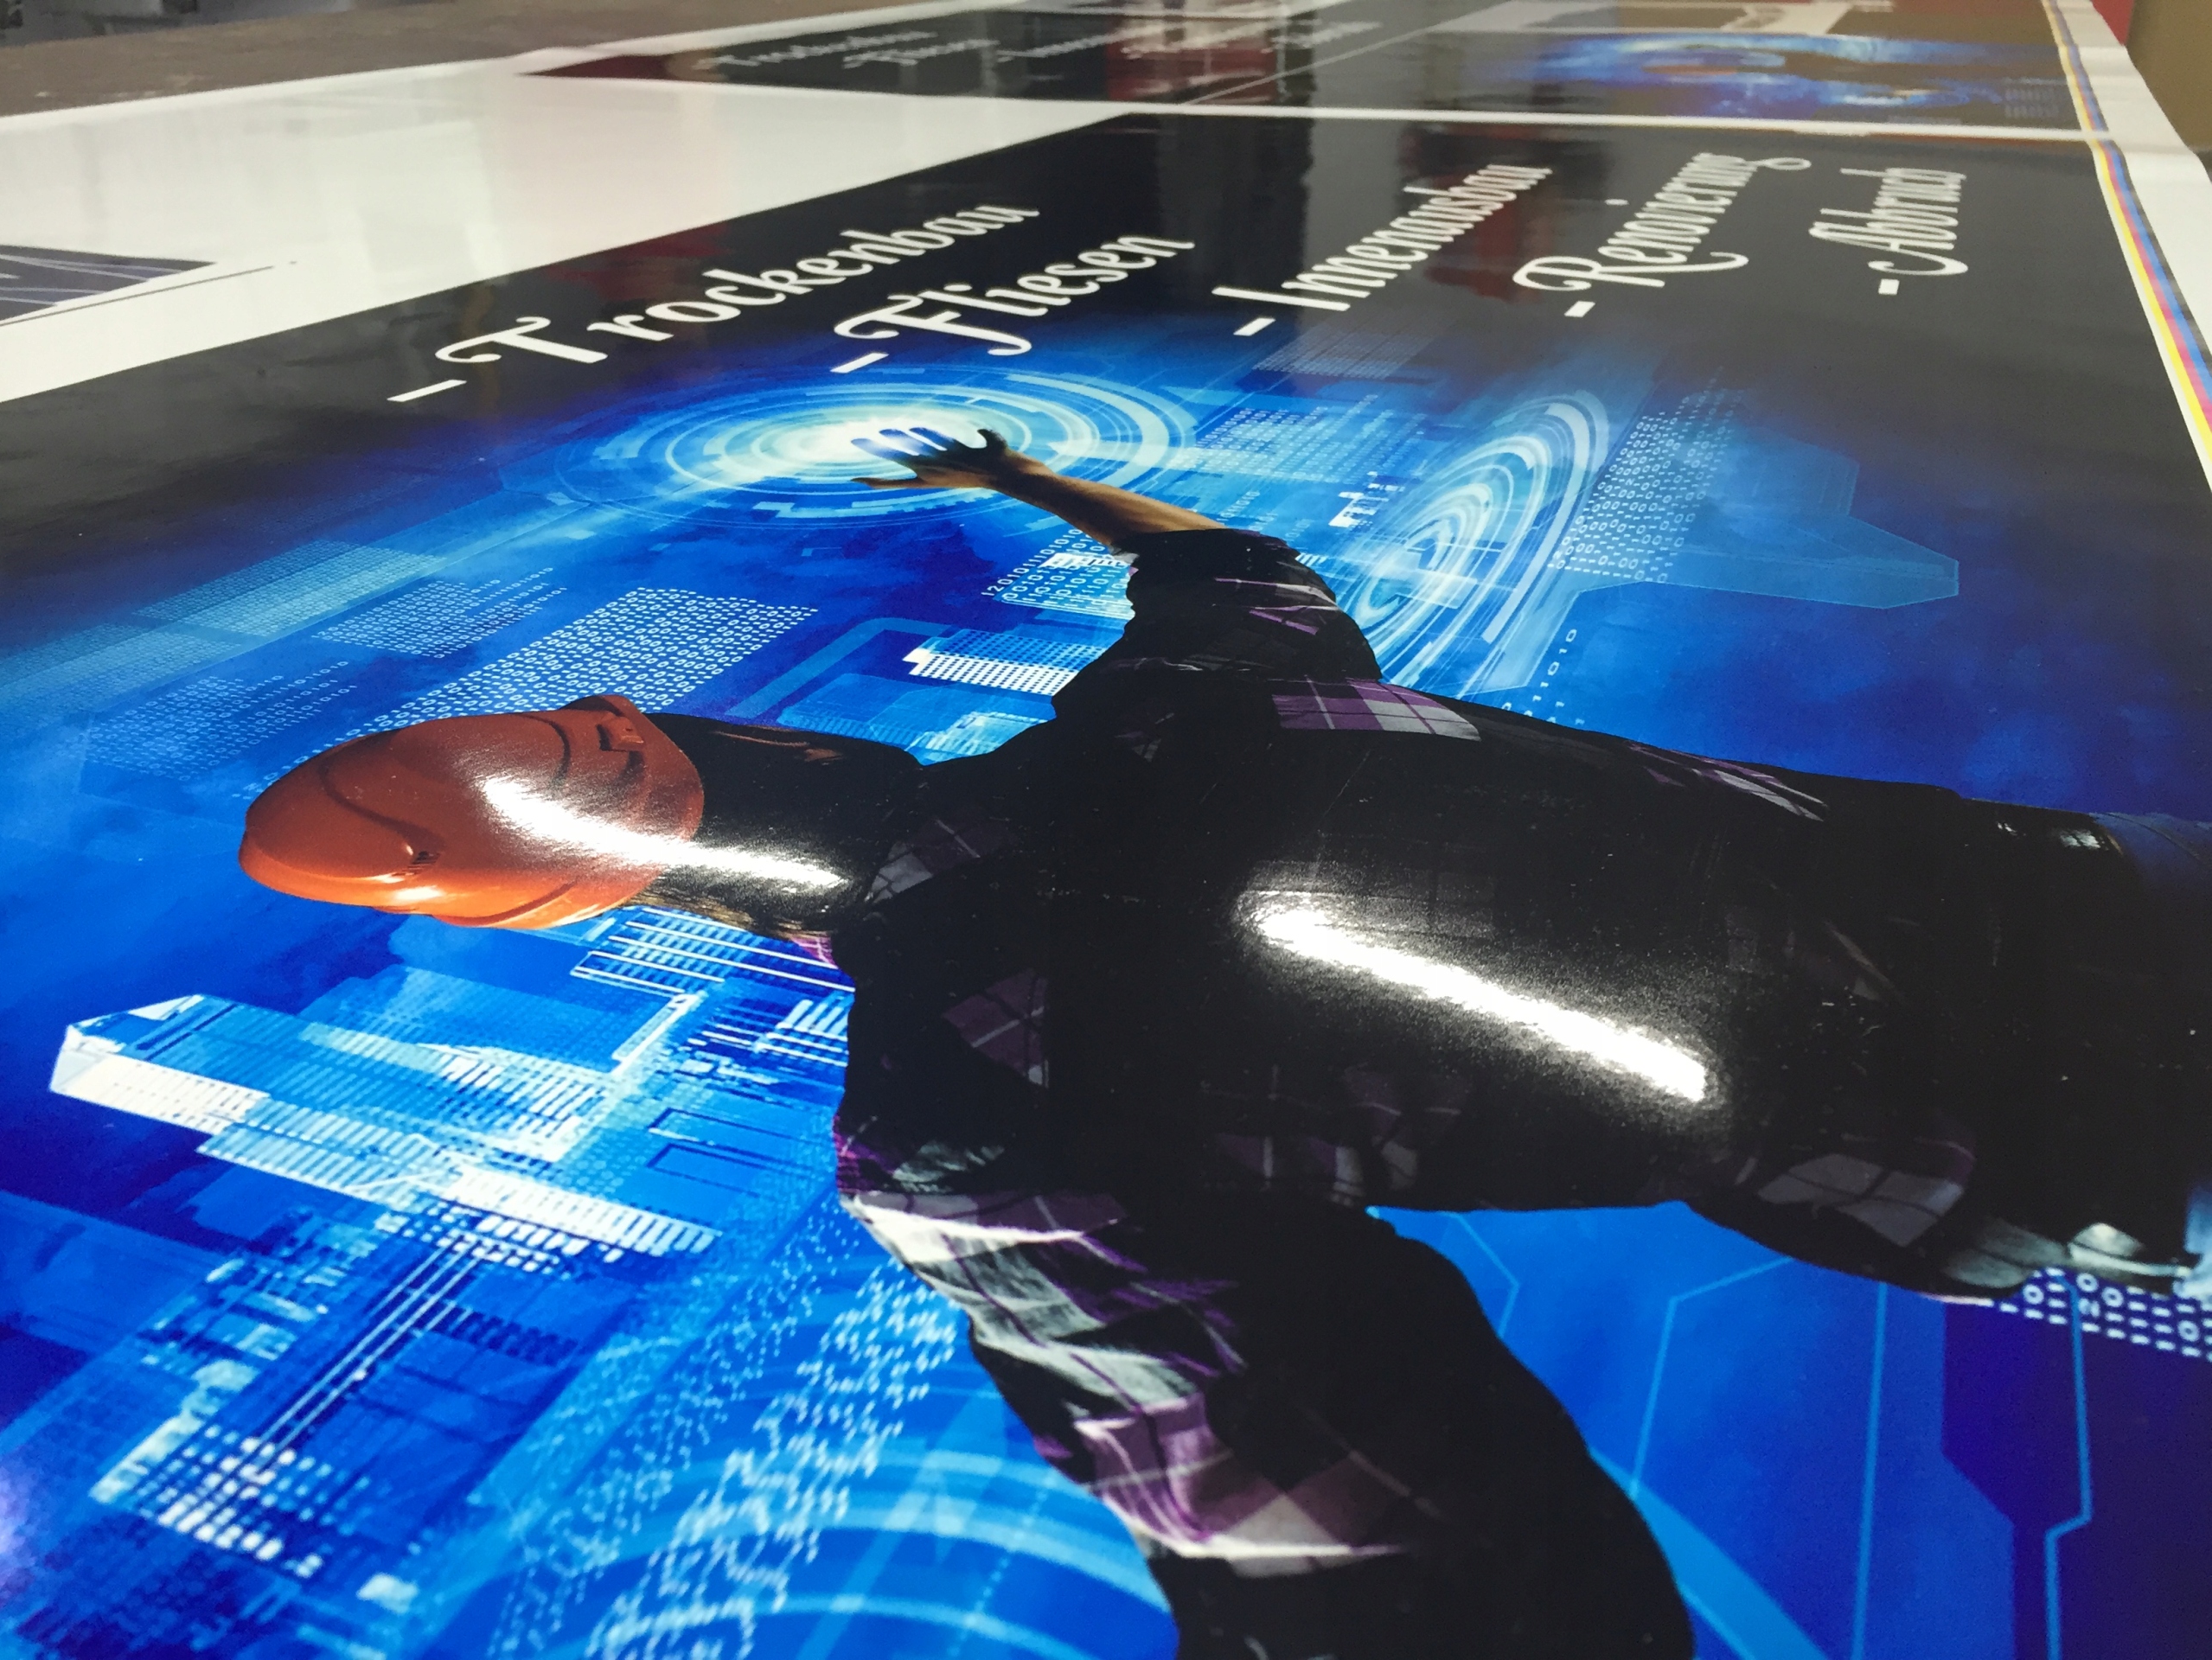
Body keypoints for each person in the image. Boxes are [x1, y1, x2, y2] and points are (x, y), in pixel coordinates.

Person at [240, 429, 2212, 1659]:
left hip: (2089, 1114)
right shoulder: (1197, 720)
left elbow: (1376, 1551)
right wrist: (1030, 482)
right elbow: (1222, 562)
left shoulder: (978, 1109)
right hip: (2108, 924)